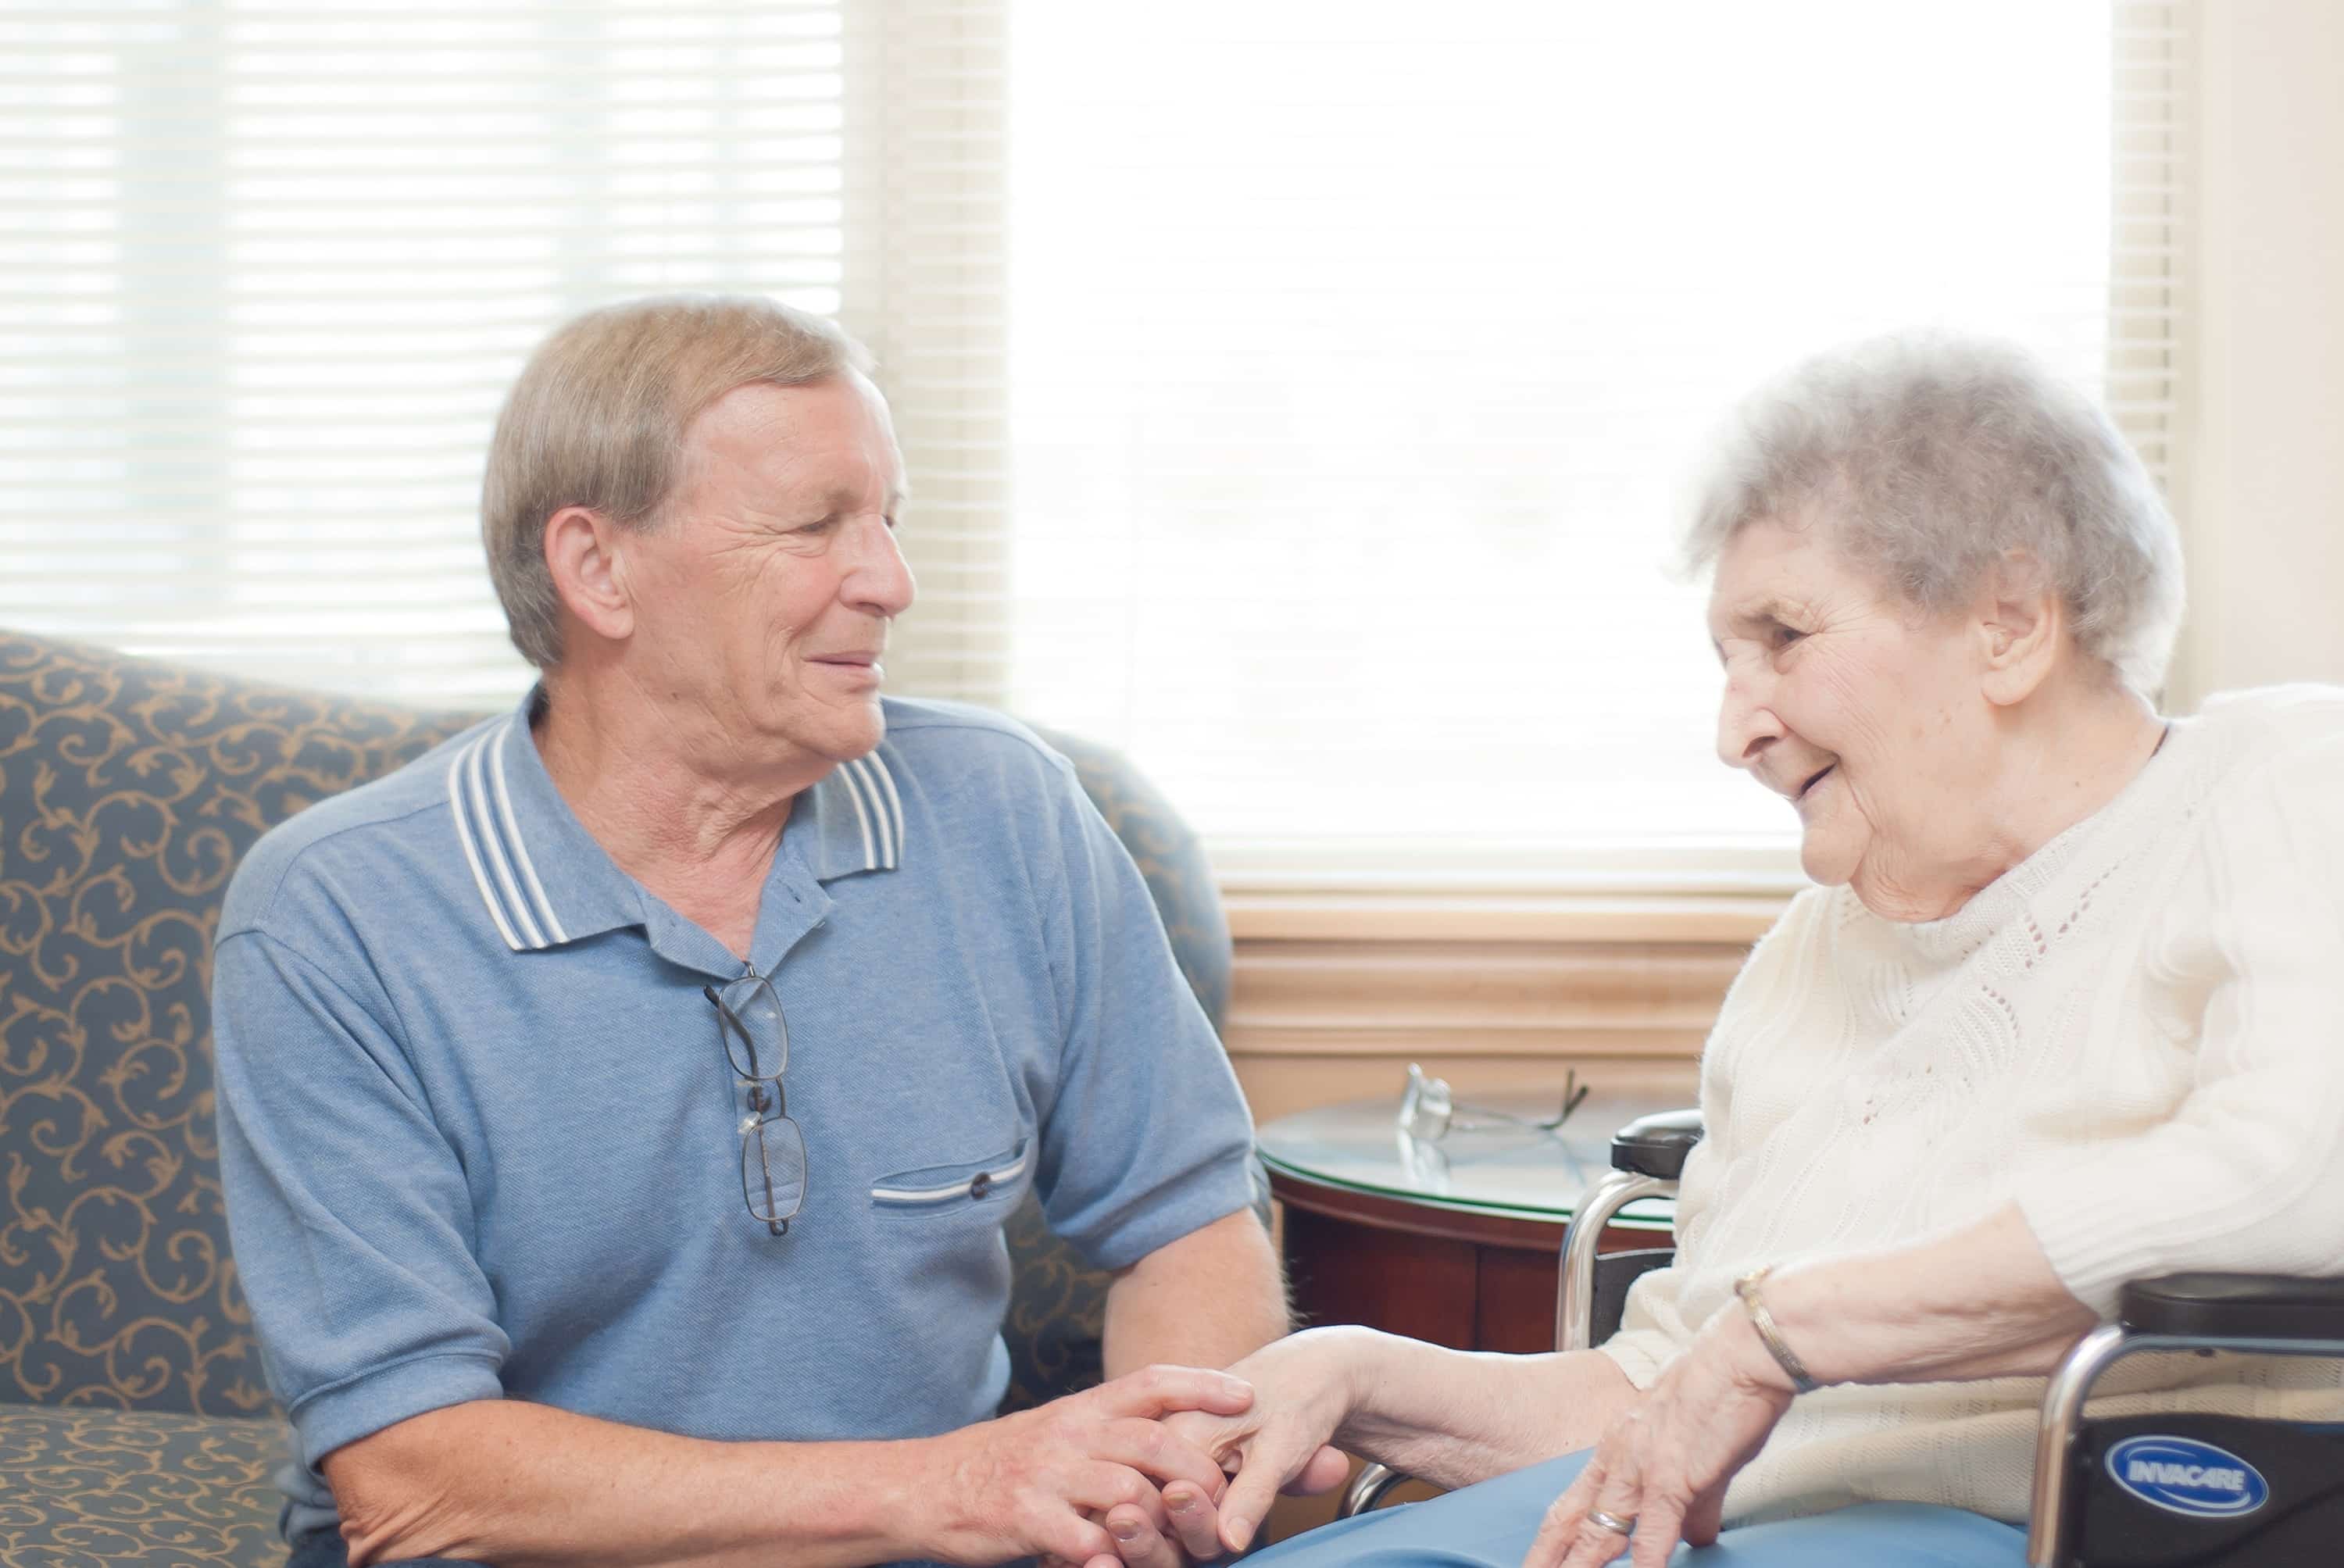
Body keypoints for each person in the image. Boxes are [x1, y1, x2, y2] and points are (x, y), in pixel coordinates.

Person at [1152, 334, 2344, 1568]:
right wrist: (1354, 1370)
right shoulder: (1812, 953)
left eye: (1783, 636)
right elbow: (1662, 1391)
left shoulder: (2284, 786)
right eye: (1726, 658)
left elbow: (2296, 1177)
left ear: (2009, 623)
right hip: (1725, 1518)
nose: (1737, 729)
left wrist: (1789, 1331)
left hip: (2060, 1519)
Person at [212, 295, 1341, 1568]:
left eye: (889, 522)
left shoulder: (1002, 810)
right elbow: (412, 1472)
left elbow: (1181, 1219)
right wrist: (949, 1485)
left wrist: (1174, 1480)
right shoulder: (337, 913)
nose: (891, 583)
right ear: (598, 569)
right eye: (816, 527)